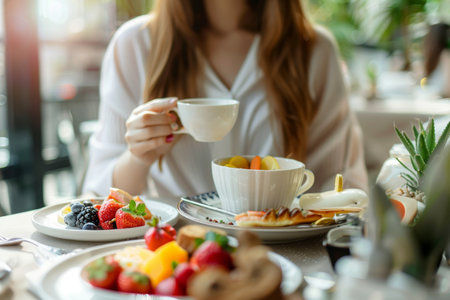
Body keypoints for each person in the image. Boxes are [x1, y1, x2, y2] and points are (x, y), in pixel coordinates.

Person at [82, 0, 368, 201]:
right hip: (174, 261)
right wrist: (137, 156)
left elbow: (340, 186)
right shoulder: (134, 45)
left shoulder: (315, 51)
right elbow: (99, 194)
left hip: (282, 259)